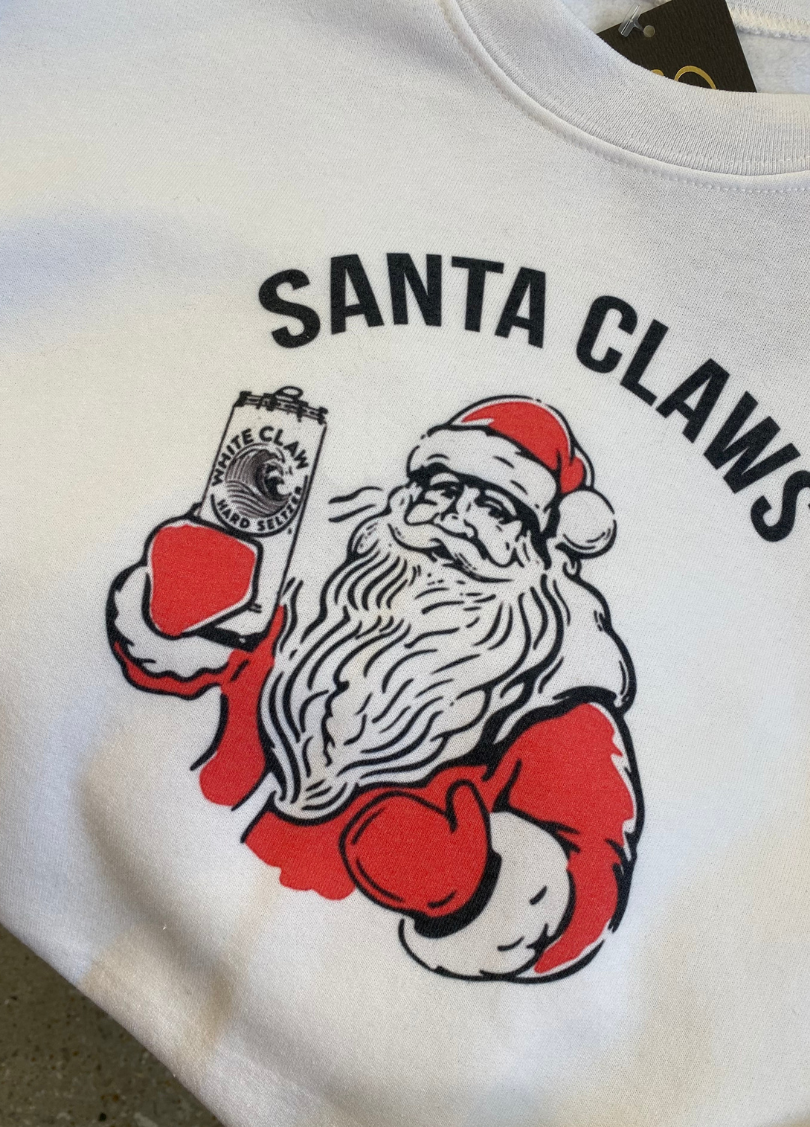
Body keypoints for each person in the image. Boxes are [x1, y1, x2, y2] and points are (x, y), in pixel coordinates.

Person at [108, 396, 642, 981]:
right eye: (443, 489)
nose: (454, 519)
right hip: (150, 877)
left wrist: (474, 885)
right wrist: (178, 606)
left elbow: (591, 872)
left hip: (327, 977)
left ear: (537, 550)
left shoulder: (561, 698)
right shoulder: (317, 601)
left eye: (494, 508)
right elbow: (181, 667)